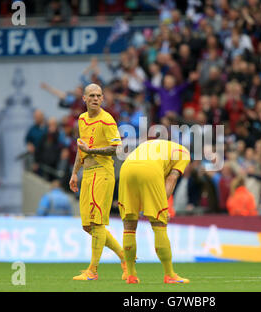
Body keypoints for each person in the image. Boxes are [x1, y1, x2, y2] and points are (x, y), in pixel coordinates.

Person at [69, 83, 127, 281]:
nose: (95, 98)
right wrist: (74, 173)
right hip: (87, 173)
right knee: (88, 226)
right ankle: (124, 256)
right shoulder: (82, 119)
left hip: (103, 173)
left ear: (102, 99)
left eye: (99, 95)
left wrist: (92, 151)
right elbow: (81, 147)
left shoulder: (107, 120)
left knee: (97, 222)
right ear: (84, 99)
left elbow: (116, 148)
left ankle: (93, 270)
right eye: (91, 95)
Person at [118, 139, 191, 284]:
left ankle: (131, 275)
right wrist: (163, 206)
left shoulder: (153, 145)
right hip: (149, 169)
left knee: (129, 226)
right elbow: (171, 178)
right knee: (159, 224)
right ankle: (169, 275)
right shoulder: (184, 154)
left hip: (126, 168)